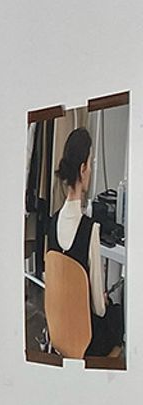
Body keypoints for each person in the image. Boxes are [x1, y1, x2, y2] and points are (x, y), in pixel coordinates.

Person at [48, 127, 123, 357]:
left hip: (58, 332)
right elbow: (98, 309)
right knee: (117, 315)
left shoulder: (52, 223)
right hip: (86, 340)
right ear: (82, 169)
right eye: (90, 163)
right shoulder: (90, 229)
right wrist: (103, 298)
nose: (90, 169)